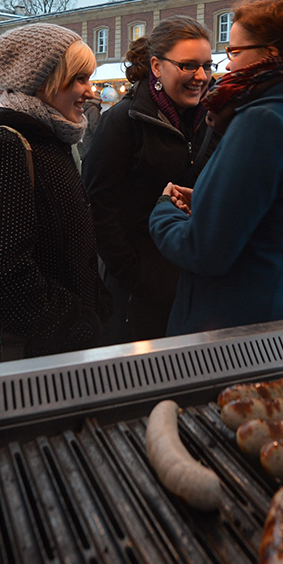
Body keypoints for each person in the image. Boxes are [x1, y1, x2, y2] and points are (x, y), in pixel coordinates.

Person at [149, 0, 283, 335]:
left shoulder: (263, 122)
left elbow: (203, 250)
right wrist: (209, 202)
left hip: (240, 327)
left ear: (271, 53)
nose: (227, 66)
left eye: (235, 52)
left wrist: (163, 211)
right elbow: (282, 218)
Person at [0, 23, 110, 366]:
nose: (90, 91)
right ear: (42, 81)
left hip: (49, 352)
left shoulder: (49, 139)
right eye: (79, 79)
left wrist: (95, 304)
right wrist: (76, 324)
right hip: (20, 358)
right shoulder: (6, 144)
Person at [83, 17, 217, 343]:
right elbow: (98, 206)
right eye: (188, 65)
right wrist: (135, 276)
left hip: (197, 281)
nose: (201, 76)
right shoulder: (124, 120)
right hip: (140, 294)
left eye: (206, 66)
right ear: (157, 66)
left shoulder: (212, 119)